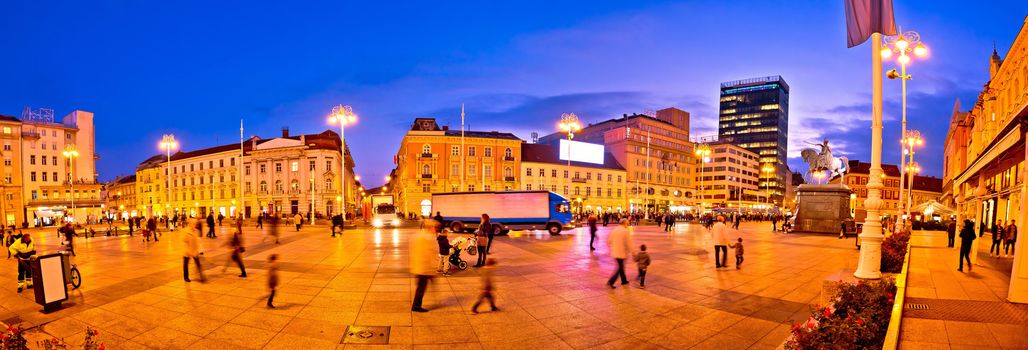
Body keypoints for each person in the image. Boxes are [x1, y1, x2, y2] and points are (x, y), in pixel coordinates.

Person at [411, 219, 440, 312]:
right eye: (435, 227)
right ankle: (416, 306)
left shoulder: (419, 235)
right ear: (431, 227)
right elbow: (430, 254)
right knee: (421, 288)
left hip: (420, 266)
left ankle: (416, 305)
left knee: (421, 287)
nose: (435, 229)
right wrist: (433, 268)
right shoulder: (428, 238)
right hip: (425, 268)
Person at [606, 219, 633, 289]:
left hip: (615, 252)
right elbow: (629, 243)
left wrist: (613, 247)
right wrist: (633, 252)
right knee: (619, 268)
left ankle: (624, 280)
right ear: (624, 224)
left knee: (621, 267)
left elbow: (608, 241)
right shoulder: (625, 231)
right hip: (622, 252)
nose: (628, 225)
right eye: (627, 224)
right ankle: (611, 281)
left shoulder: (614, 230)